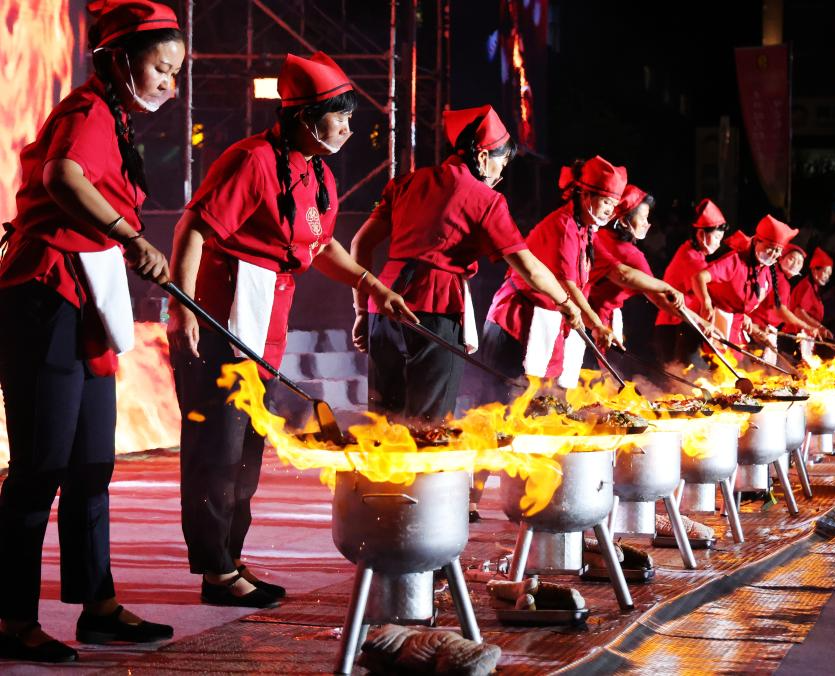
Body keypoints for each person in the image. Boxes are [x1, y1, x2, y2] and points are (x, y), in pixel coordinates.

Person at [167, 52, 414, 608]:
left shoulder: (316, 171)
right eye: (339, 117)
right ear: (305, 117)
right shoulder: (251, 160)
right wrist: (182, 310)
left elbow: (320, 246)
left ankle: (231, 560)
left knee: (247, 454)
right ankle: (216, 571)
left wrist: (373, 287)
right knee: (218, 451)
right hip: (222, 322)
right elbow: (194, 229)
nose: (348, 128)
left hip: (267, 326)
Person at [0, 1, 182, 662]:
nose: (169, 83)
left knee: (91, 465)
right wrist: (132, 236)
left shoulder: (116, 118)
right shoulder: (88, 112)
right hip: (46, 296)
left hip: (85, 304)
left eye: (175, 73)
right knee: (39, 468)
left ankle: (98, 605)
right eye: (160, 68)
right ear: (120, 60)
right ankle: (11, 619)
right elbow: (62, 176)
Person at [349, 105, 581, 423]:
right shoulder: (486, 200)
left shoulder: (404, 182)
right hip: (436, 307)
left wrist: (362, 310)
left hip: (382, 304)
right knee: (428, 425)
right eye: (502, 163)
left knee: (383, 421)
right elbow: (529, 268)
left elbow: (359, 244)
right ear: (483, 156)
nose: (501, 174)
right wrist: (566, 303)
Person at [479, 156, 628, 400]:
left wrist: (596, 325)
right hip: (516, 324)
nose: (610, 210)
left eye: (614, 204)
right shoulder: (564, 225)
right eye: (606, 201)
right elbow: (567, 286)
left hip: (545, 324)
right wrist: (597, 326)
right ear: (585, 195)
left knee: (542, 404)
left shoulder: (585, 230)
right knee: (505, 404)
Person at [586, 183, 685, 348]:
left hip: (584, 317)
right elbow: (658, 298)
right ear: (623, 221)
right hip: (599, 324)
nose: (647, 223)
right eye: (643, 218)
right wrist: (701, 323)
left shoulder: (597, 234)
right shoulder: (631, 255)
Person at [692, 215, 800, 351]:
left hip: (733, 330)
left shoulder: (767, 274)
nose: (774, 254)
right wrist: (706, 302)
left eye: (778, 250)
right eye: (770, 247)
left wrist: (755, 330)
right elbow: (699, 277)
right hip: (708, 322)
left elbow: (742, 309)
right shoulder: (735, 261)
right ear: (756, 242)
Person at [653, 198, 727, 370]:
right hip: (674, 326)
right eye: (717, 237)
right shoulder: (691, 259)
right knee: (684, 377)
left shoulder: (692, 253)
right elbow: (714, 289)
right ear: (701, 234)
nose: (719, 242)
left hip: (682, 324)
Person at [784, 247, 834, 339]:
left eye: (829, 275)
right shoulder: (806, 286)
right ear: (814, 270)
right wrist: (819, 326)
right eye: (825, 272)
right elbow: (799, 312)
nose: (827, 277)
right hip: (796, 334)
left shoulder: (815, 288)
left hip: (807, 334)